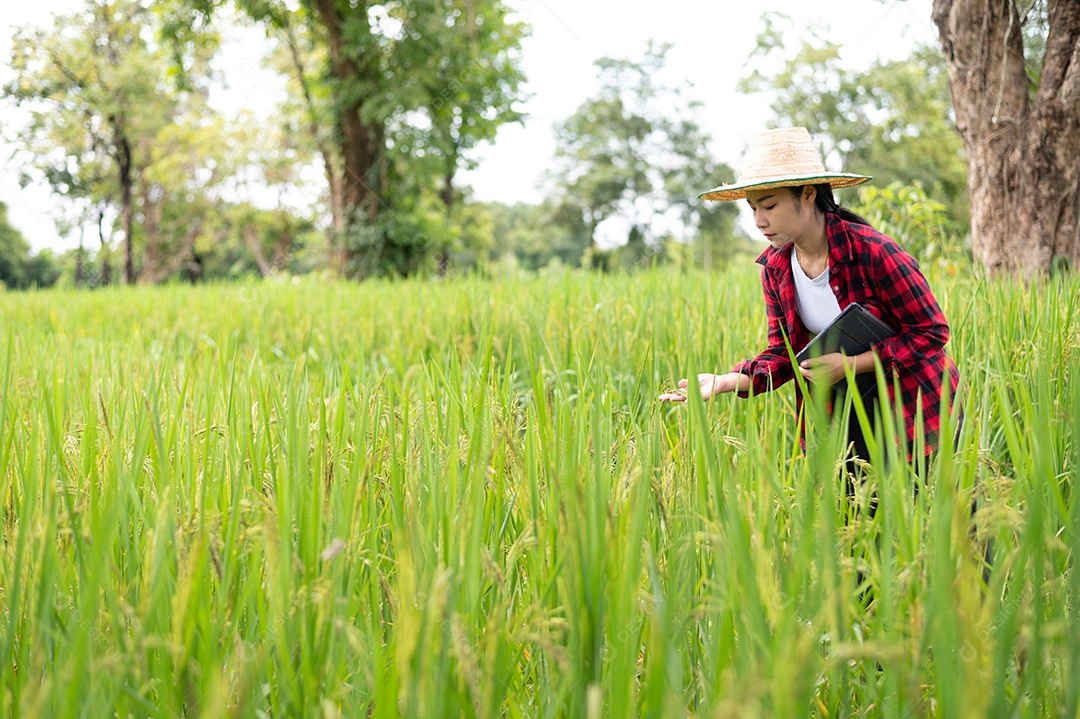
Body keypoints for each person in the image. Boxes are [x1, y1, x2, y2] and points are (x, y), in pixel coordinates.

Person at [659, 127, 961, 469]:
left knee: (941, 518)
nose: (759, 221)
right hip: (844, 413)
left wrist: (852, 365)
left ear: (806, 194)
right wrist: (726, 382)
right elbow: (784, 353)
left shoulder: (874, 252)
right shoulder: (775, 268)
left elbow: (931, 332)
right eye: (753, 208)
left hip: (917, 409)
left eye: (769, 205)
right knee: (857, 520)